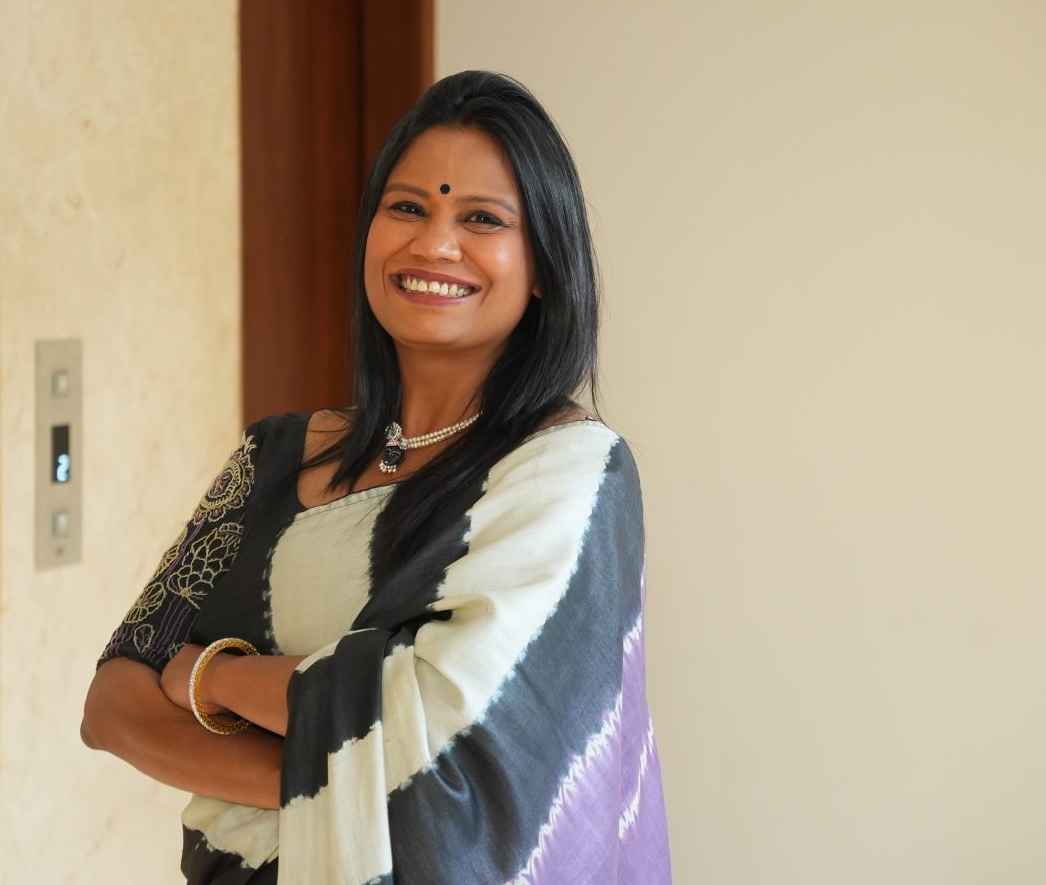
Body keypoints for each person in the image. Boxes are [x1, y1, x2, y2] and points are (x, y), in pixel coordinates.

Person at [81, 70, 672, 884]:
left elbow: (443, 725)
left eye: (482, 219)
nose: (434, 244)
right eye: (407, 208)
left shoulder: (568, 472)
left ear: (542, 266)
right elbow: (113, 702)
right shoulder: (274, 457)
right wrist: (338, 785)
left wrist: (213, 677)